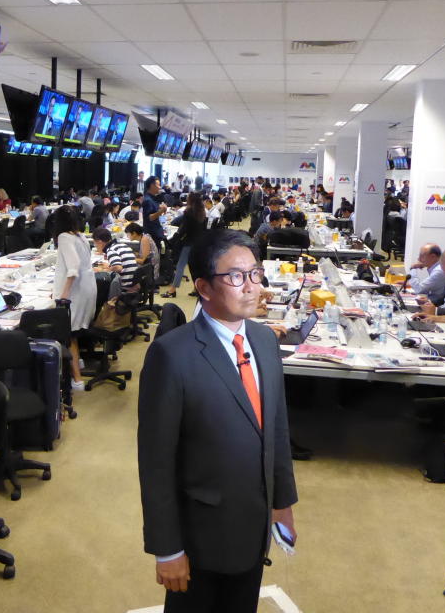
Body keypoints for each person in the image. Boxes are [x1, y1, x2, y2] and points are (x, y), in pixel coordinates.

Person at [137, 229, 298, 612]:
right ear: (204, 288)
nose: (251, 287)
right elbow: (156, 462)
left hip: (253, 525)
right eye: (236, 277)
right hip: (201, 535)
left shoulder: (264, 341)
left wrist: (282, 502)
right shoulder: (171, 355)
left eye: (255, 274)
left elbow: (275, 427)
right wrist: (167, 548)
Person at [51, 205, 97, 390]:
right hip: (88, 287)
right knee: (75, 331)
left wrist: (62, 296)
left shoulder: (64, 237)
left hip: (75, 291)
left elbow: (72, 268)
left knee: (69, 335)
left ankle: (76, 380)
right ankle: (78, 364)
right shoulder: (80, 236)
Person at [163, 194, 207, 298]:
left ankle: (172, 290)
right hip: (200, 243)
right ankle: (197, 289)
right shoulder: (202, 212)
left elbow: (184, 229)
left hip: (189, 243)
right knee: (195, 267)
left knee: (180, 266)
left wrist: (175, 238)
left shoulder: (188, 212)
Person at [142, 176, 168, 252]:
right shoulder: (148, 200)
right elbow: (150, 217)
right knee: (155, 256)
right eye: (158, 185)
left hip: (156, 230)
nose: (159, 187)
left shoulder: (153, 198)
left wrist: (161, 209)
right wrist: (161, 211)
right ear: (152, 185)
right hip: (152, 232)